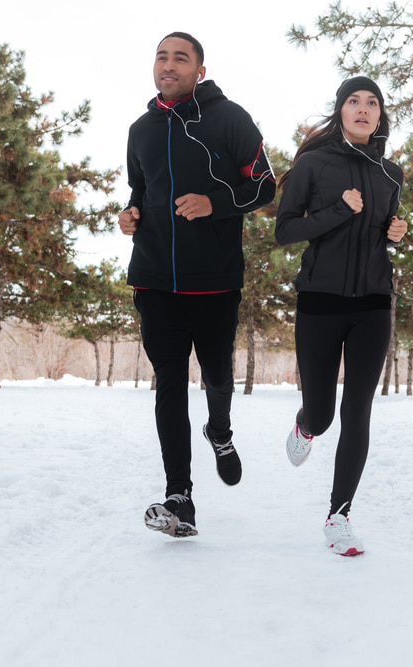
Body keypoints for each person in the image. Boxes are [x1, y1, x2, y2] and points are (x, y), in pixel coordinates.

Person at [118, 32, 276, 539]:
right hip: (156, 281)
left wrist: (215, 201)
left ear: (199, 71)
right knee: (169, 385)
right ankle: (179, 497)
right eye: (162, 56)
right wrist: (130, 214)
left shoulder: (230, 118)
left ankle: (221, 432)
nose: (169, 65)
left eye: (180, 58)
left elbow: (265, 185)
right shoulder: (141, 129)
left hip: (214, 281)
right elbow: (139, 190)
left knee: (217, 377)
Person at [275, 76, 408, 556]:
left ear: (379, 116)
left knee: (358, 412)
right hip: (321, 302)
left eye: (372, 103)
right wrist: (338, 211)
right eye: (354, 101)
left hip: (373, 304)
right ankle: (305, 423)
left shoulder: (391, 173)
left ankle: (339, 516)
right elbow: (285, 230)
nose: (364, 109)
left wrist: (396, 233)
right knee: (325, 415)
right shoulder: (314, 163)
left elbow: (380, 233)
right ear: (341, 110)